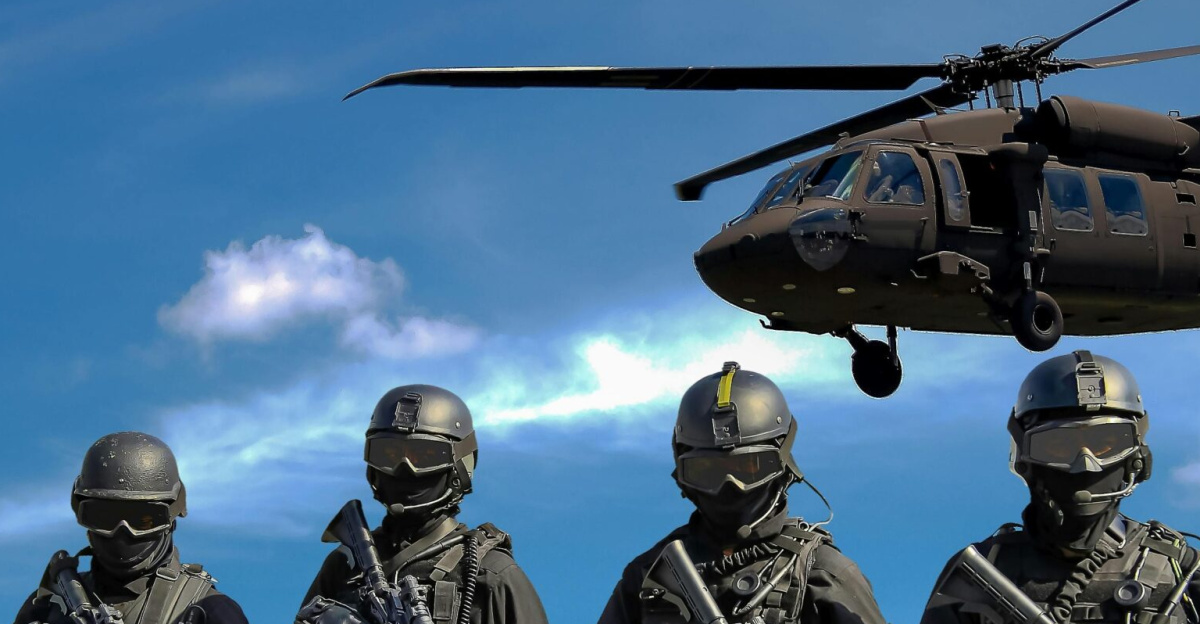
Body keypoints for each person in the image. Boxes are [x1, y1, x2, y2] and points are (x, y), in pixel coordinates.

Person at [921, 350, 1200, 624]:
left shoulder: (1183, 569)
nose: (1086, 464)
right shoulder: (983, 571)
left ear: (1137, 458)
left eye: (1104, 445)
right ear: (1025, 459)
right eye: (1059, 446)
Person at [598, 362, 886, 624]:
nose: (729, 484)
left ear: (782, 463)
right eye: (707, 471)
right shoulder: (648, 576)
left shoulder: (822, 572)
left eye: (749, 467)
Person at [299, 384, 548, 624]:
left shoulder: (492, 573)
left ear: (458, 466)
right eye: (389, 455)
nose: (404, 469)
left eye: (426, 456)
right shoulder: (344, 567)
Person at [13, 432, 247, 624]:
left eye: (142, 520)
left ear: (171, 516)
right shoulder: (49, 607)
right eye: (105, 517)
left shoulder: (208, 610)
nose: (122, 532)